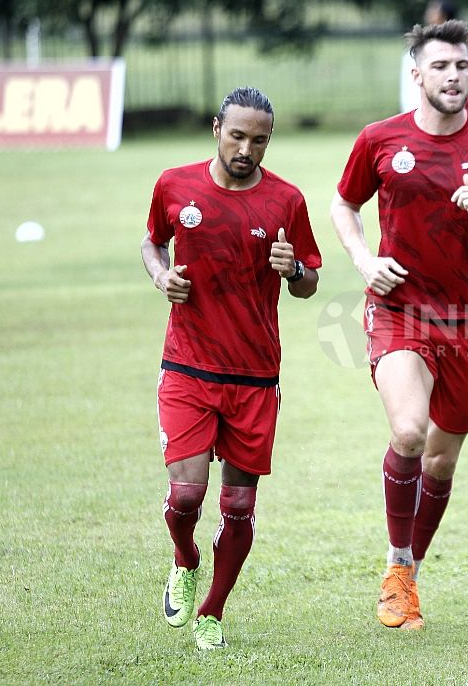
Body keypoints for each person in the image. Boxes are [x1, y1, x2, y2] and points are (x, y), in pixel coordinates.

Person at [330, 20, 468, 630]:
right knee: (409, 432)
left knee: (441, 462)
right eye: (441, 67)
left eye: (462, 66)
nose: (453, 76)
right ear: (417, 75)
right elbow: (344, 204)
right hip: (399, 310)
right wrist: (363, 259)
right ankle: (398, 569)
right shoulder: (380, 139)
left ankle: (407, 568)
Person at [141, 86, 322, 650]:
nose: (247, 149)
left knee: (239, 505)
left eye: (260, 140)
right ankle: (185, 557)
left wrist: (294, 271)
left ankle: (213, 612)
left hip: (254, 376)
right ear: (216, 129)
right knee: (186, 497)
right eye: (238, 136)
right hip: (188, 367)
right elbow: (152, 243)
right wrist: (160, 275)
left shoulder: (287, 201)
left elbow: (310, 283)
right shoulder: (175, 184)